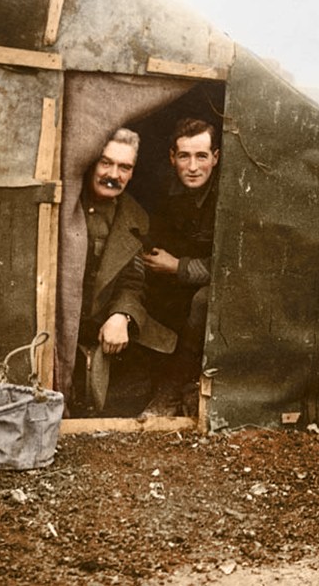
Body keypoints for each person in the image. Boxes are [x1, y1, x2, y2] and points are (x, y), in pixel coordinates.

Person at [76, 128, 176, 413]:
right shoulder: (65, 203)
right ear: (91, 163)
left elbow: (133, 279)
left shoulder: (135, 217)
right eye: (106, 163)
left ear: (132, 173)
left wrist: (122, 314)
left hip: (103, 329)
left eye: (125, 167)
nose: (114, 175)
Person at [141, 118, 220, 416]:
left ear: (216, 157)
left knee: (202, 301)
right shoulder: (166, 189)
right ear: (172, 157)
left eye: (202, 156)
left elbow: (231, 266)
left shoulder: (228, 195)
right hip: (179, 281)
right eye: (184, 156)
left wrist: (178, 267)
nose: (193, 167)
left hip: (216, 285)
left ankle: (173, 389)